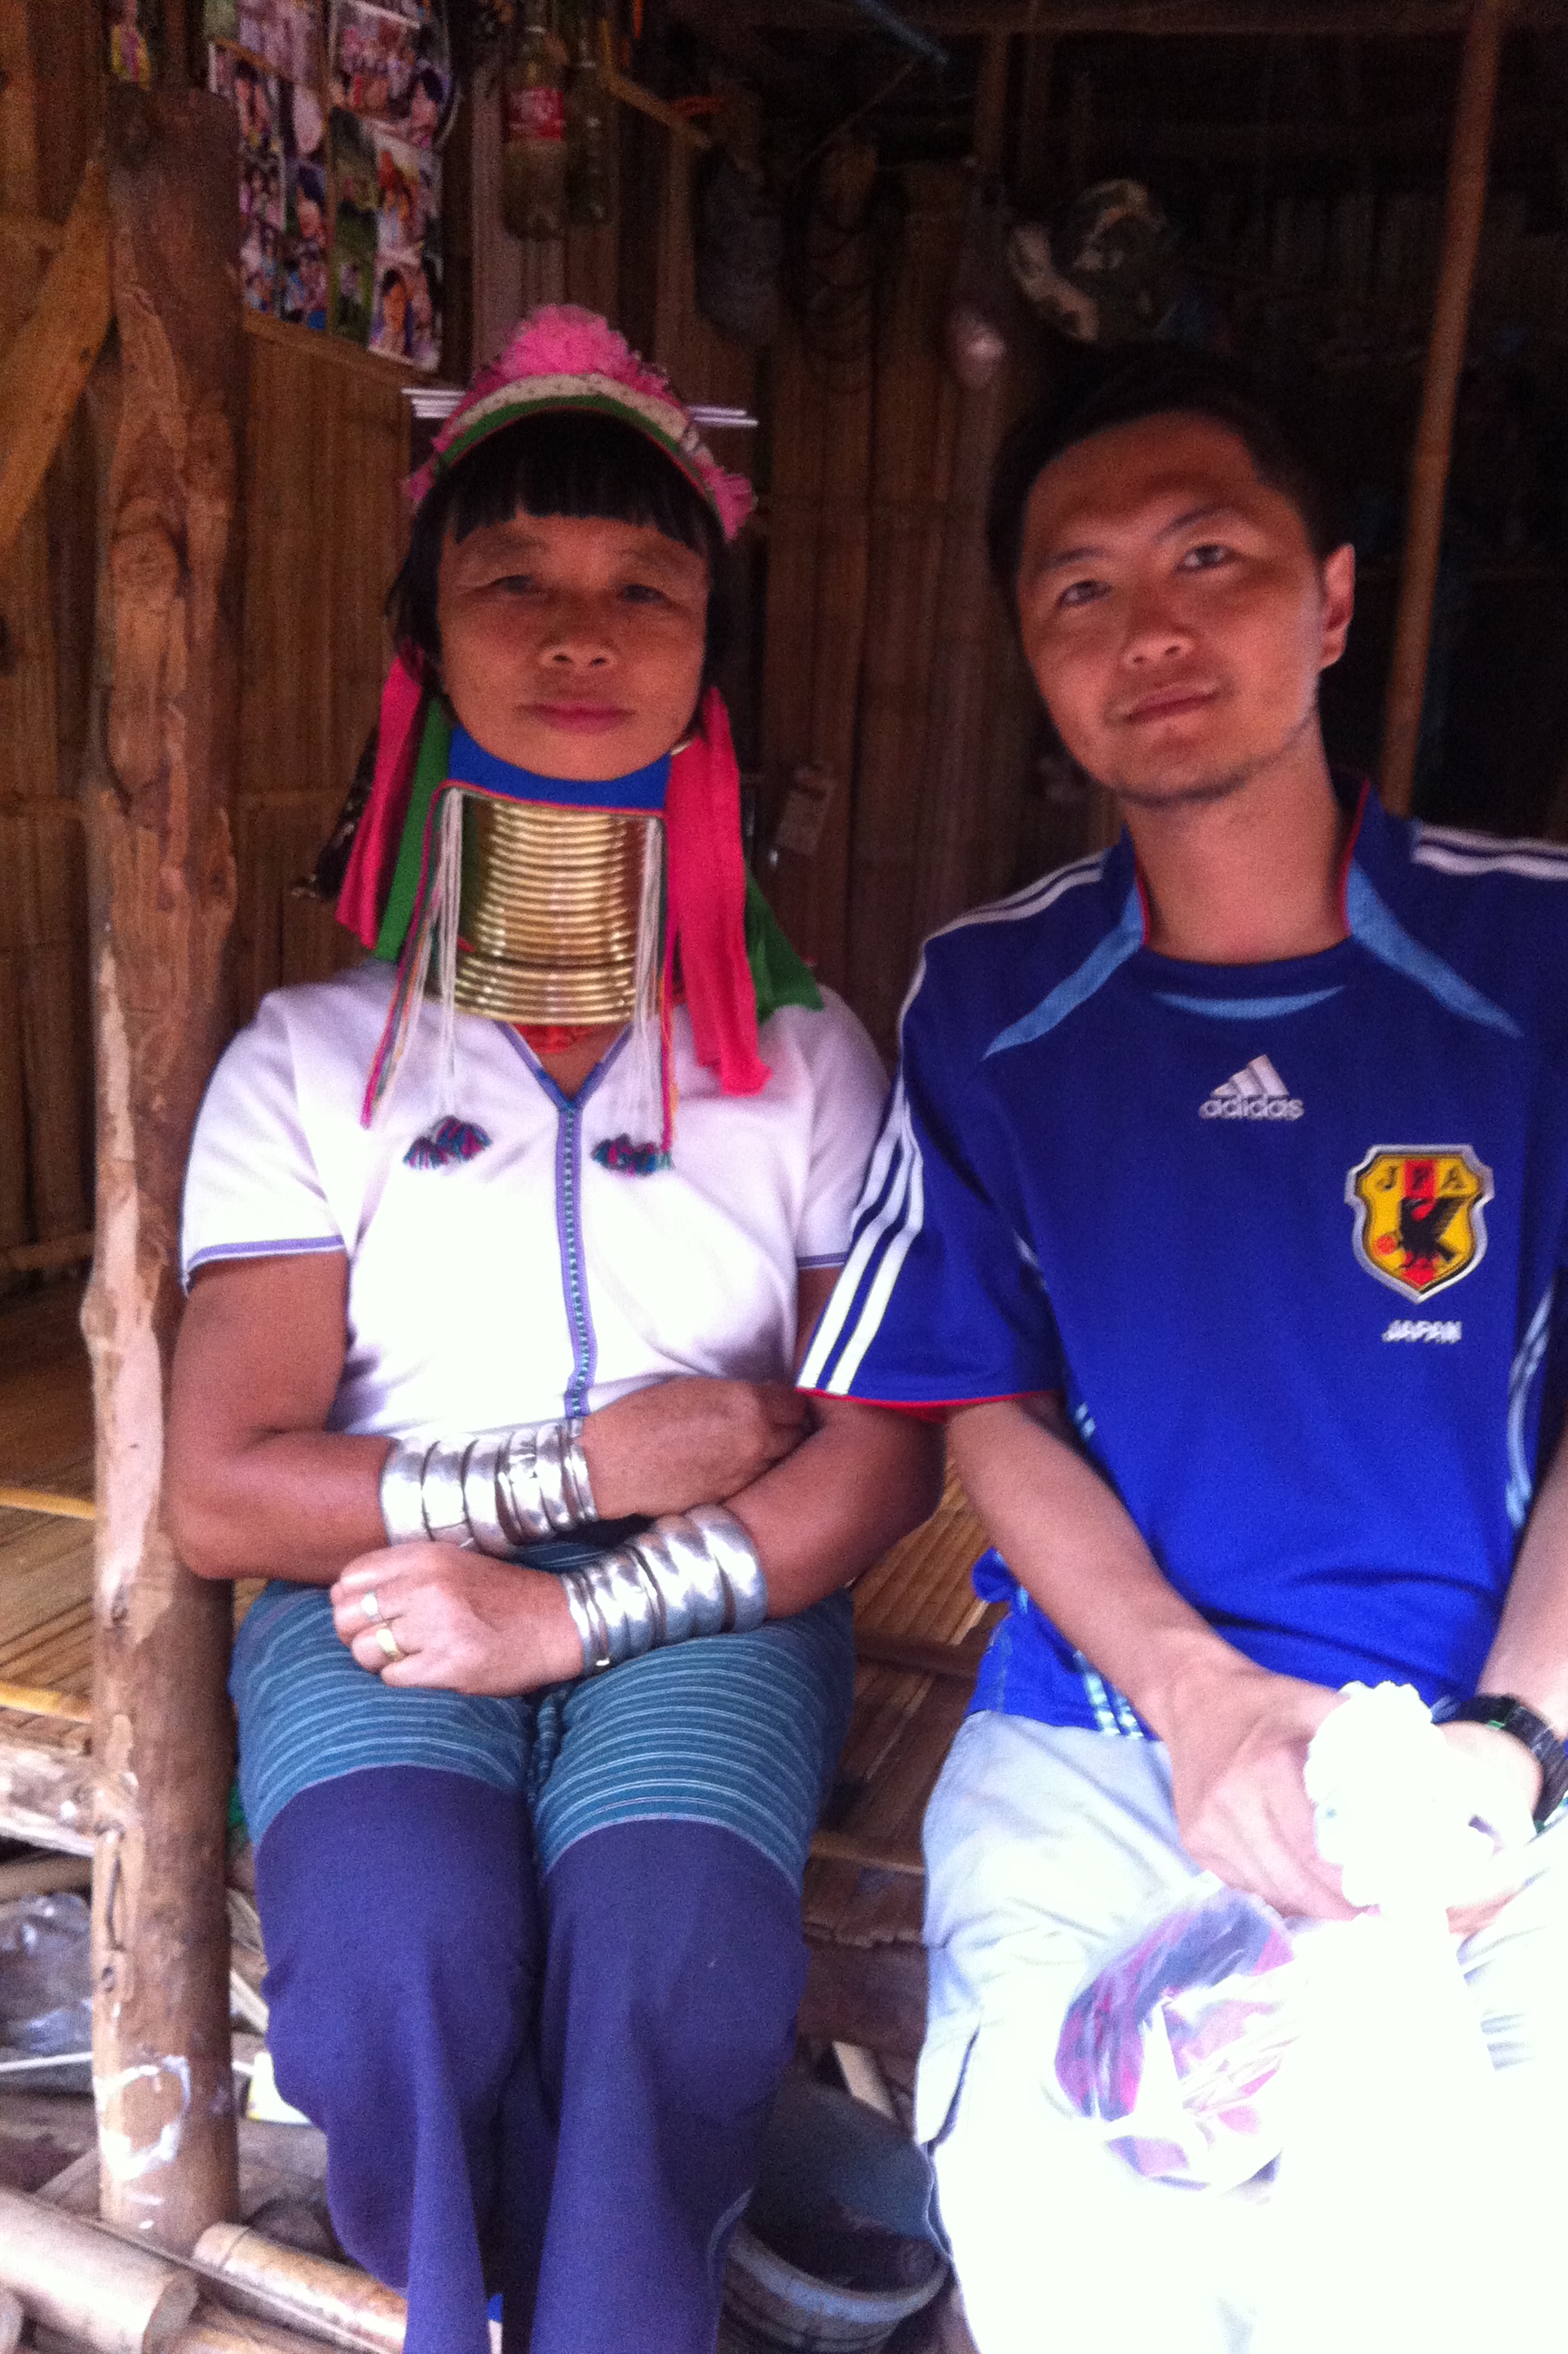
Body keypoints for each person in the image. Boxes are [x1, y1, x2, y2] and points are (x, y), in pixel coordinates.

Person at [799, 350, 1568, 2352]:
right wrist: (1199, 1699)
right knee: (1082, 2270)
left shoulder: (1563, 960)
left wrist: (1504, 1743)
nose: (1147, 627)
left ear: (1329, 599)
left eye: (1206, 556)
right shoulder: (991, 998)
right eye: (1080, 587)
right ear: (1033, 658)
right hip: (1101, 1750)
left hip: (1493, 1781)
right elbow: (976, 1401)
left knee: (1486, 2292)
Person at [167, 306, 938, 2354]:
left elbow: (877, 1449)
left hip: (719, 1587)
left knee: (673, 1953)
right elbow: (225, 1491)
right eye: (515, 581)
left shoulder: (805, 1064)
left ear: (706, 660)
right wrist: (576, 1473)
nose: (581, 634)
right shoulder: (311, 1059)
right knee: (397, 1950)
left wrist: (587, 1600)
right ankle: (468, 2307)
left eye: (642, 587)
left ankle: (612, 2312)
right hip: (381, 1576)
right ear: (426, 644)